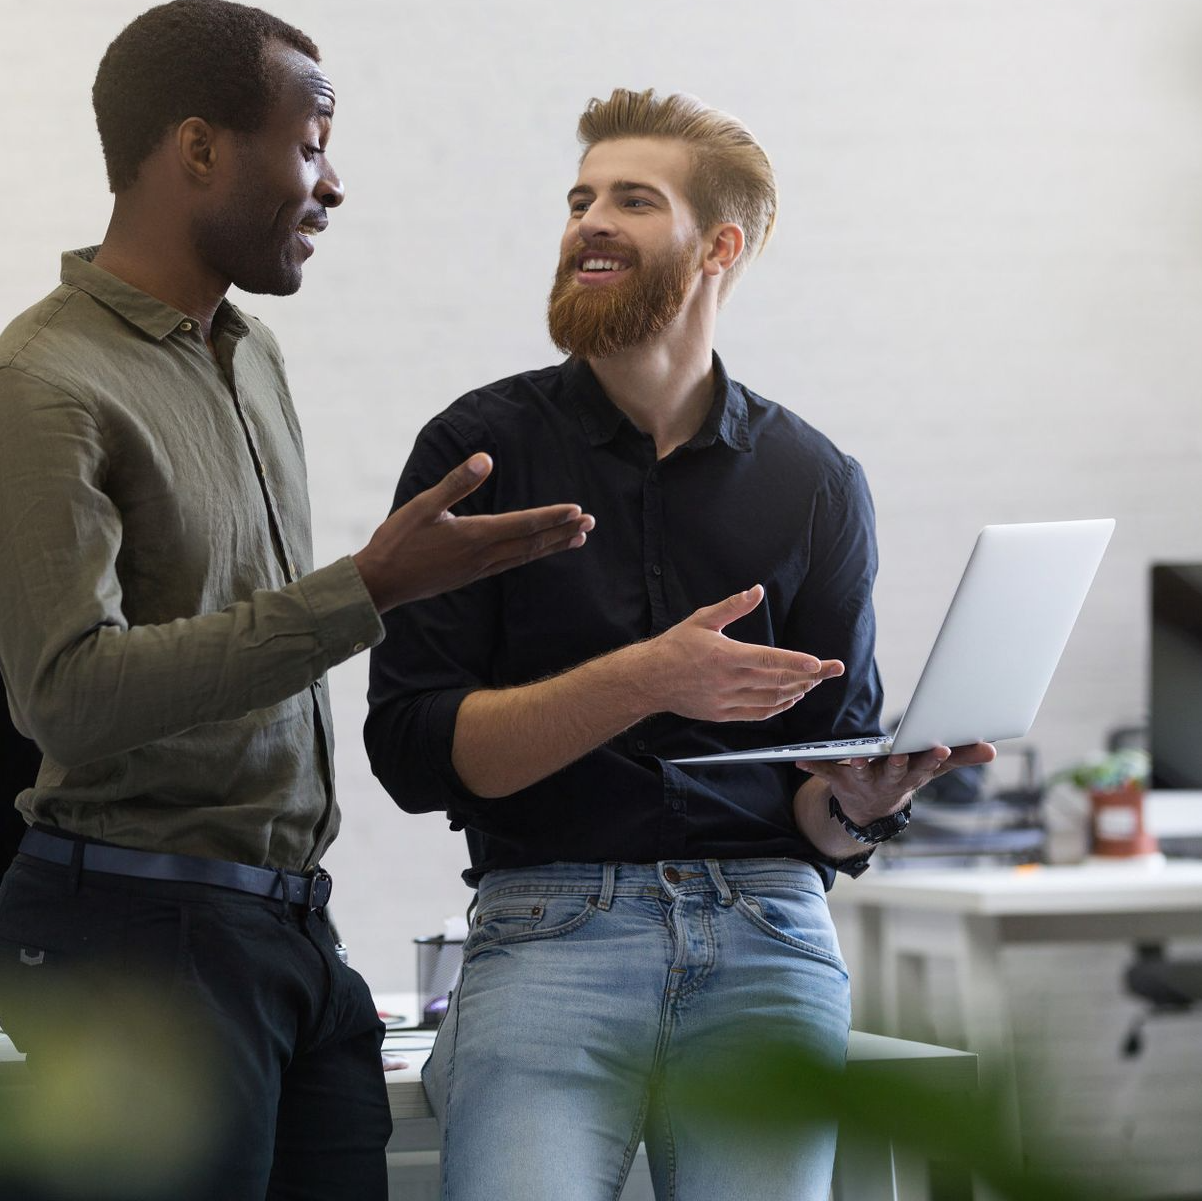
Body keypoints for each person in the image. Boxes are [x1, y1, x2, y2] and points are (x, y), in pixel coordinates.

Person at [0, 0, 593, 1201]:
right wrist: (367, 589)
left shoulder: (247, 352)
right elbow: (70, 698)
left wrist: (365, 591)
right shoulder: (38, 390)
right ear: (197, 148)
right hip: (136, 938)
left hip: (283, 931)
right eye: (310, 142)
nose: (330, 184)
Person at [365, 88, 993, 1199]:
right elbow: (414, 752)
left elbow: (819, 791)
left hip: (767, 926)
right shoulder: (476, 451)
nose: (587, 221)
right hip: (551, 924)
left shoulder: (814, 480)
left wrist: (863, 798)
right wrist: (648, 676)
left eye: (630, 199)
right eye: (578, 198)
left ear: (718, 246)